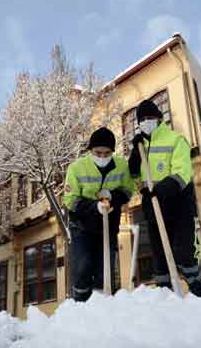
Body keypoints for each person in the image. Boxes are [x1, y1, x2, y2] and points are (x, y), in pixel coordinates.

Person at [128, 100, 201, 297]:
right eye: (142, 119)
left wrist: (161, 188)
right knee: (159, 255)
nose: (146, 122)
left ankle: (196, 288)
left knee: (183, 251)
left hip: (178, 204)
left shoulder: (175, 140)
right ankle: (165, 296)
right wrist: (135, 162)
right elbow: (137, 179)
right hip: (153, 206)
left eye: (150, 118)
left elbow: (183, 173)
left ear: (159, 118)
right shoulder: (140, 147)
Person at [64, 127, 136, 301]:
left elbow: (128, 190)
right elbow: (70, 200)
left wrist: (113, 197)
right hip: (81, 225)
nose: (102, 157)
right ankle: (80, 303)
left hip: (108, 224)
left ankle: (100, 306)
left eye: (107, 153)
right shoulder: (77, 168)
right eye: (98, 152)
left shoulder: (121, 166)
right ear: (91, 151)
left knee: (105, 269)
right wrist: (94, 207)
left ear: (113, 151)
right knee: (83, 265)